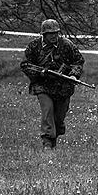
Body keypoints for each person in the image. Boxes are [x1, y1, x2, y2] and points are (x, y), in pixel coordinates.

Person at [20, 19, 85, 151]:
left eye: (56, 33)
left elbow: (78, 61)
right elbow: (25, 65)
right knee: (47, 110)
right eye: (51, 33)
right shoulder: (34, 46)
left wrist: (73, 74)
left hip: (63, 87)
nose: (54, 36)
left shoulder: (67, 45)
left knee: (59, 117)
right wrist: (42, 73)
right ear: (44, 34)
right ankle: (47, 142)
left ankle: (55, 134)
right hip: (42, 86)